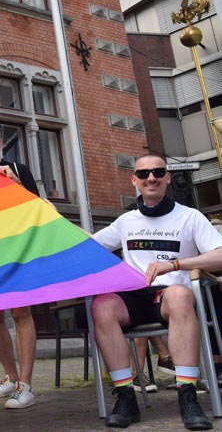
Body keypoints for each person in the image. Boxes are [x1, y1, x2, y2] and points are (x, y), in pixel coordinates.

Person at [91, 155, 222, 430]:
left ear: (168, 178)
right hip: (133, 296)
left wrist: (175, 264)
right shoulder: (126, 221)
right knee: (101, 305)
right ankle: (126, 397)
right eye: (144, 173)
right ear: (134, 180)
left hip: (170, 295)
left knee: (180, 294)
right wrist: (51, 218)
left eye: (158, 172)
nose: (151, 177)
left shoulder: (190, 216)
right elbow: (88, 247)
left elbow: (220, 255)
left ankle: (187, 395)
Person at [0, 124, 40, 409]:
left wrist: (14, 180)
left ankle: (25, 386)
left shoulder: (18, 168)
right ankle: (10, 378)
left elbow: (37, 206)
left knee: (21, 312)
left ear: (1, 143)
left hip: (17, 250)